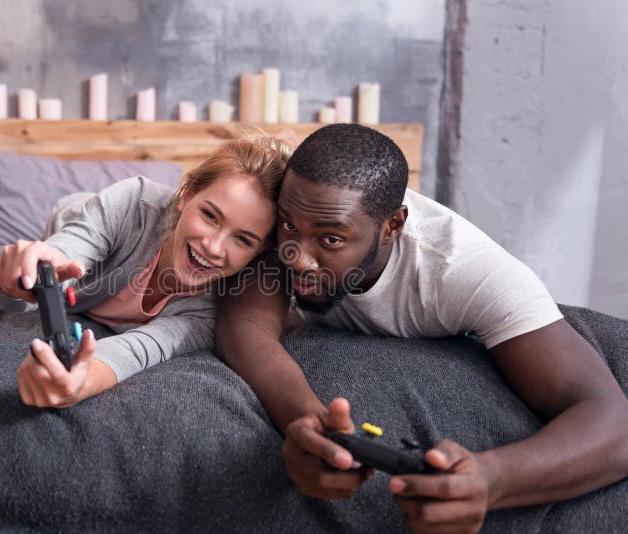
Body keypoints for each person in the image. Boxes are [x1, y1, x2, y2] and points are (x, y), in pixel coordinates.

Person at [215, 124, 628, 533]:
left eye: (331, 240)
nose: (296, 257)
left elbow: (614, 425)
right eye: (289, 226)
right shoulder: (291, 208)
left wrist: (489, 480)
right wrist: (310, 426)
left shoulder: (465, 270)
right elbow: (246, 323)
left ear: (392, 226)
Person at [0, 135, 292, 408]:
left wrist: (77, 382)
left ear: (259, 251)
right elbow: (51, 267)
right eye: (210, 216)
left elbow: (134, 351)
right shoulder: (132, 205)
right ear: (186, 195)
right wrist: (15, 283)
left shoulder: (215, 309)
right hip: (77, 215)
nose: (213, 247)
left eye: (242, 239)